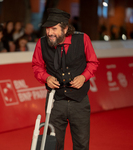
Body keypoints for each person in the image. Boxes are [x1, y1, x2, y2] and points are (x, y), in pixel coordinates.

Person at [32, 8, 99, 150]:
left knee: (81, 144)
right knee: (54, 145)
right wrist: (46, 77)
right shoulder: (42, 43)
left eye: (54, 29)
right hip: (55, 101)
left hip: (79, 102)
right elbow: (37, 66)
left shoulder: (82, 39)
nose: (50, 33)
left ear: (65, 28)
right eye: (47, 29)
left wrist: (83, 77)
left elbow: (93, 62)